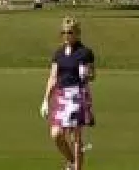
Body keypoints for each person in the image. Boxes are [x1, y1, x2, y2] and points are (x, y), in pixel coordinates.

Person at [41, 17, 96, 170]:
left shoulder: (85, 53)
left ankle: (77, 167)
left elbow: (93, 75)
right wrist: (45, 99)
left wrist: (87, 74)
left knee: (75, 137)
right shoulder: (58, 53)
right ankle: (72, 162)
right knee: (56, 134)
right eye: (64, 32)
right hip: (61, 96)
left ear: (77, 33)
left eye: (70, 32)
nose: (66, 35)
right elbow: (53, 77)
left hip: (78, 94)